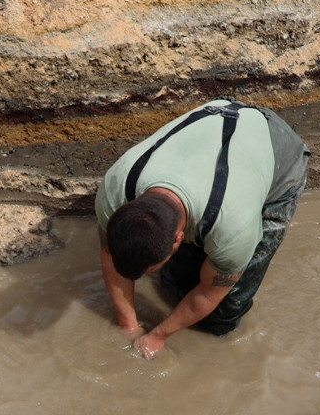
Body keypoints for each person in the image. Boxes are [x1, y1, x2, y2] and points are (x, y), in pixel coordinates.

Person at [96, 98, 309, 359]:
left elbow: (209, 293)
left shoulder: (234, 230)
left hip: (278, 157)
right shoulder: (115, 191)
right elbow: (111, 259)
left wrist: (158, 335)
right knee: (174, 284)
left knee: (222, 315)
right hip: (212, 127)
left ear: (179, 237)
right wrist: (129, 328)